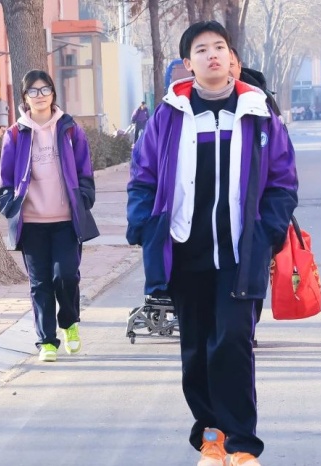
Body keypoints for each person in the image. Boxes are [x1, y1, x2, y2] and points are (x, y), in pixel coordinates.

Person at [126, 20, 297, 466]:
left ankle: (242, 445)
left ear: (232, 58)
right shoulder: (169, 116)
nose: (212, 55)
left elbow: (282, 180)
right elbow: (143, 175)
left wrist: (269, 230)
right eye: (201, 50)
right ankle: (212, 439)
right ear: (189, 63)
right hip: (187, 252)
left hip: (241, 254)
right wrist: (143, 225)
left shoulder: (258, 112)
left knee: (234, 342)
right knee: (197, 348)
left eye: (219, 47)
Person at [0, 70, 99, 362]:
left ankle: (69, 323)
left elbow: (84, 169)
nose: (40, 95)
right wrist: (9, 204)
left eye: (45, 90)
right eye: (33, 91)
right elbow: (5, 179)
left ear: (53, 93)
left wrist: (84, 197)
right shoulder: (15, 134)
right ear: (25, 97)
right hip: (32, 223)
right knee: (40, 283)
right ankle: (47, 341)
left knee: (65, 276)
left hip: (66, 221)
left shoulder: (69, 129)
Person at [228, 47, 284, 347]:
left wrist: (274, 221)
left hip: (258, 211)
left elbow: (282, 160)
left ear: (238, 65)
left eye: (230, 62)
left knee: (254, 269)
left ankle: (248, 327)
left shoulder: (261, 102)